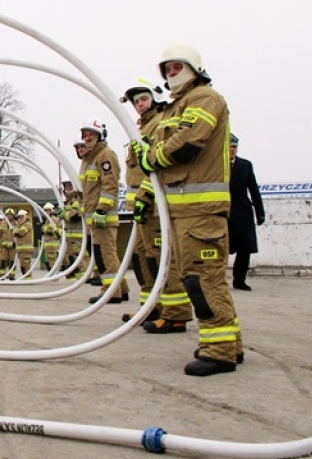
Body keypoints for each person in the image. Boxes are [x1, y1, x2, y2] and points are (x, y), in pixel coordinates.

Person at [133, 44, 242, 376]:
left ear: (194, 68)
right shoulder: (178, 106)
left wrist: (151, 158)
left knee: (202, 280)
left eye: (177, 67)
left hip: (201, 212)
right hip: (183, 212)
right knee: (198, 278)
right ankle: (229, 344)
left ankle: (219, 351)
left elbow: (188, 143)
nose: (171, 73)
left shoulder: (204, 99)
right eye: (166, 69)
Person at [119, 78, 169, 325]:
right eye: (136, 101)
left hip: (154, 206)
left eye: (144, 99)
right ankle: (149, 307)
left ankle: (171, 311)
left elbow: (158, 167)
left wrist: (146, 196)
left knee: (157, 258)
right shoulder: (141, 129)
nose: (139, 105)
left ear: (155, 99)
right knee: (142, 257)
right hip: (141, 206)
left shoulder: (159, 124)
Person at [79, 118, 129, 304]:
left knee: (106, 255)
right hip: (94, 216)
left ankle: (111, 291)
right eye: (85, 135)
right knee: (107, 254)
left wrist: (101, 210)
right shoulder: (89, 159)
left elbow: (110, 185)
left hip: (103, 216)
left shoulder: (105, 155)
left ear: (100, 136)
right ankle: (122, 289)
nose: (87, 138)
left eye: (90, 134)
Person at [228, 134, 265, 290]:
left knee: (245, 248)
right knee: (220, 248)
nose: (232, 150)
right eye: (229, 147)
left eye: (234, 147)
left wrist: (260, 212)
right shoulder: (216, 166)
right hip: (223, 211)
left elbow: (253, 190)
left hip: (242, 212)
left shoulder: (246, 165)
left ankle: (239, 280)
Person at [12, 208, 35, 279]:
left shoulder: (27, 224)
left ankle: (28, 280)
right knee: (23, 267)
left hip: (26, 250)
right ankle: (26, 279)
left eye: (22, 217)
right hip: (21, 250)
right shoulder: (20, 225)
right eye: (19, 217)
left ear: (26, 217)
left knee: (26, 267)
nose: (20, 219)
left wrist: (16, 230)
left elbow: (20, 233)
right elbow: (15, 232)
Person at [39, 202, 60, 271]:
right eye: (45, 210)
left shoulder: (53, 219)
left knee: (51, 261)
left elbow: (51, 229)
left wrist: (43, 228)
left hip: (52, 242)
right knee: (48, 261)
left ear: (51, 210)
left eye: (48, 210)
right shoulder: (49, 219)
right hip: (48, 243)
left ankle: (53, 273)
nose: (46, 212)